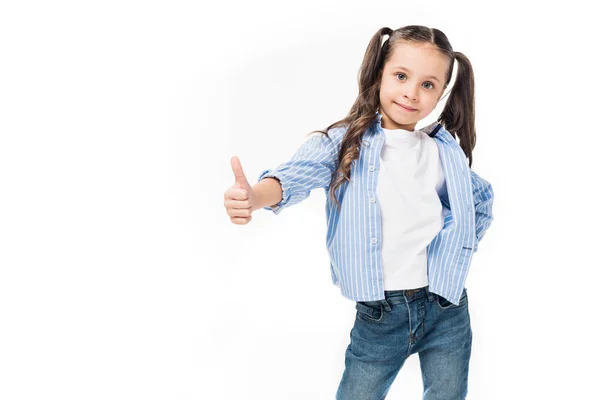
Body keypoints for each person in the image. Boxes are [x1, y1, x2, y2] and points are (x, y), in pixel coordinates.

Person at [223, 25, 494, 400]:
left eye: (428, 85)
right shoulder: (346, 142)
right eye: (401, 76)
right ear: (379, 73)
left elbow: (479, 199)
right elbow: (296, 176)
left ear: (441, 95)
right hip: (380, 315)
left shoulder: (440, 149)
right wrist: (254, 196)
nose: (412, 93)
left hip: (446, 307)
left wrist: (458, 248)